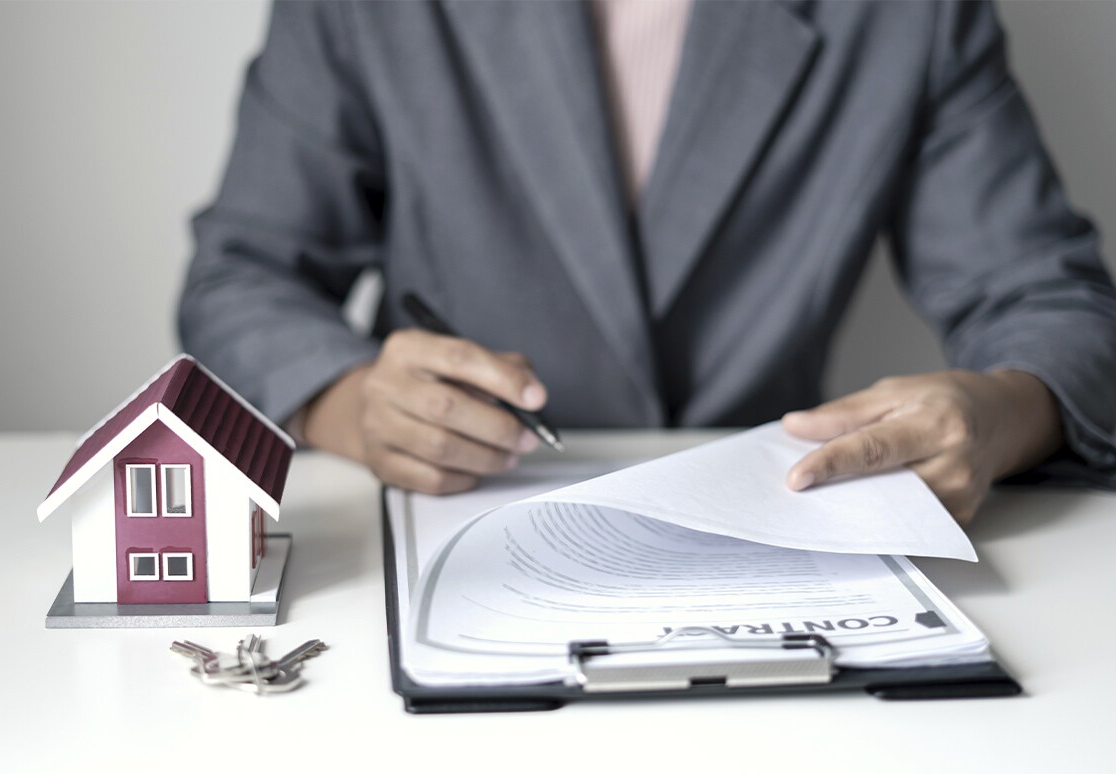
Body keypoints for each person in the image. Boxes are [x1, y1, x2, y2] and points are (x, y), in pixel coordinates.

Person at [179, 0, 1116, 523]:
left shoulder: (911, 15)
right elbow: (242, 279)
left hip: (777, 535)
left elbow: (1051, 302)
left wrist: (1006, 413)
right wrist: (350, 404)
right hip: (453, 521)